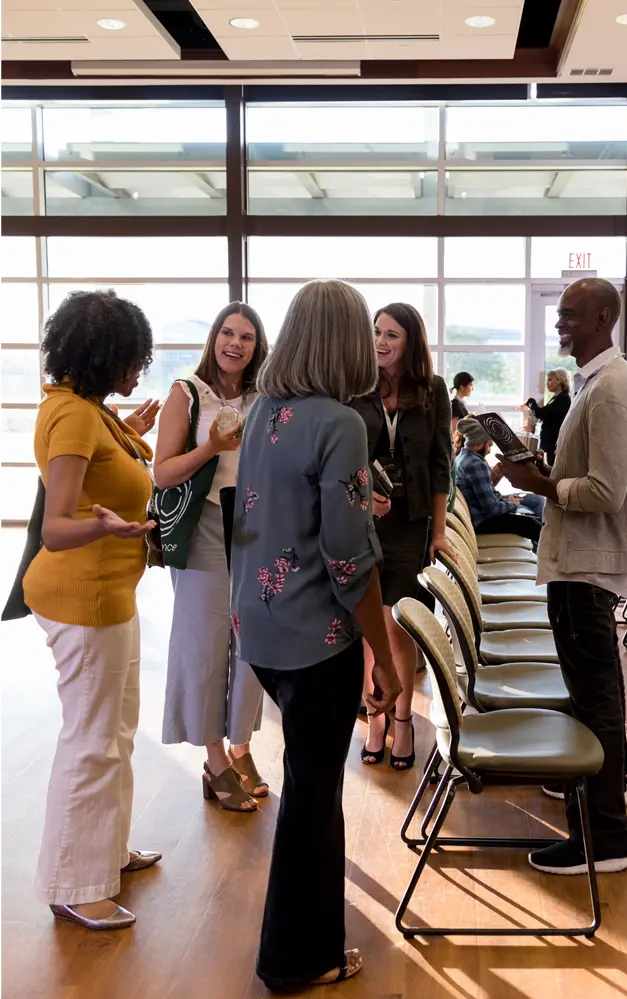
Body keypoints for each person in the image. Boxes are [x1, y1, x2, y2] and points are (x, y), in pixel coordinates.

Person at [230, 280, 401, 990]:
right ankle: (298, 957)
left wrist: (358, 512)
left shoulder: (265, 407)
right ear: (347, 340)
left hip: (262, 627)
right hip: (315, 636)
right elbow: (346, 559)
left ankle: (298, 944)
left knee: (305, 785)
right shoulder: (341, 422)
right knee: (311, 794)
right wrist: (384, 658)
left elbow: (279, 517)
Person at [500, 278, 627, 877]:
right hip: (580, 560)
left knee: (595, 700)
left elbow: (606, 492)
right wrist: (545, 471)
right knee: (595, 695)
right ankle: (601, 792)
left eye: (570, 316)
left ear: (602, 318)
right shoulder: (599, 383)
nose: (561, 325)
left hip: (587, 565)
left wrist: (541, 486)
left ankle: (604, 838)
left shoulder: (613, 389)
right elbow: (588, 474)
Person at [22, 290, 161, 931]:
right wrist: (111, 528)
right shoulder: (77, 418)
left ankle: (102, 849)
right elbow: (56, 526)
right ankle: (77, 883)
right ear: (104, 356)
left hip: (108, 595)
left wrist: (130, 435)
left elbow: (97, 470)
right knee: (92, 741)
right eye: (133, 358)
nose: (139, 371)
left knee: (114, 732)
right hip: (84, 598)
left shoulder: (87, 410)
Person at [154, 303, 269, 813]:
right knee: (205, 646)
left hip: (254, 530)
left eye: (246, 336)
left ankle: (241, 744)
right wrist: (213, 448)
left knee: (250, 644)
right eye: (227, 332)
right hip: (201, 530)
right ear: (214, 338)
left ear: (256, 347)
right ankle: (216, 759)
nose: (235, 343)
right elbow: (162, 473)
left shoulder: (264, 398)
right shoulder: (186, 394)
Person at [352, 303, 454, 770]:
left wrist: (439, 531)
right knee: (371, 620)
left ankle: (404, 720)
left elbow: (439, 465)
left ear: (411, 340)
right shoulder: (357, 386)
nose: (381, 341)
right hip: (363, 521)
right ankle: (374, 717)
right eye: (376, 332)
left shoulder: (432, 390)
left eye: (392, 334)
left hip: (411, 525)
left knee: (400, 623)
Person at [455, 417, 543, 543]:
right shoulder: (475, 464)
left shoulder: (461, 458)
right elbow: (492, 509)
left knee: (532, 512)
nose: (490, 450)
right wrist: (512, 505)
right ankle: (549, 555)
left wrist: (507, 501)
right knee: (532, 524)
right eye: (489, 445)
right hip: (483, 521)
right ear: (480, 442)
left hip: (478, 517)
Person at [523, 369, 572, 466]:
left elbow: (540, 413)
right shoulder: (556, 398)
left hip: (555, 444)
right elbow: (548, 415)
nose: (547, 383)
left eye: (550, 380)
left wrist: (530, 402)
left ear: (559, 381)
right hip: (550, 444)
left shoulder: (563, 399)